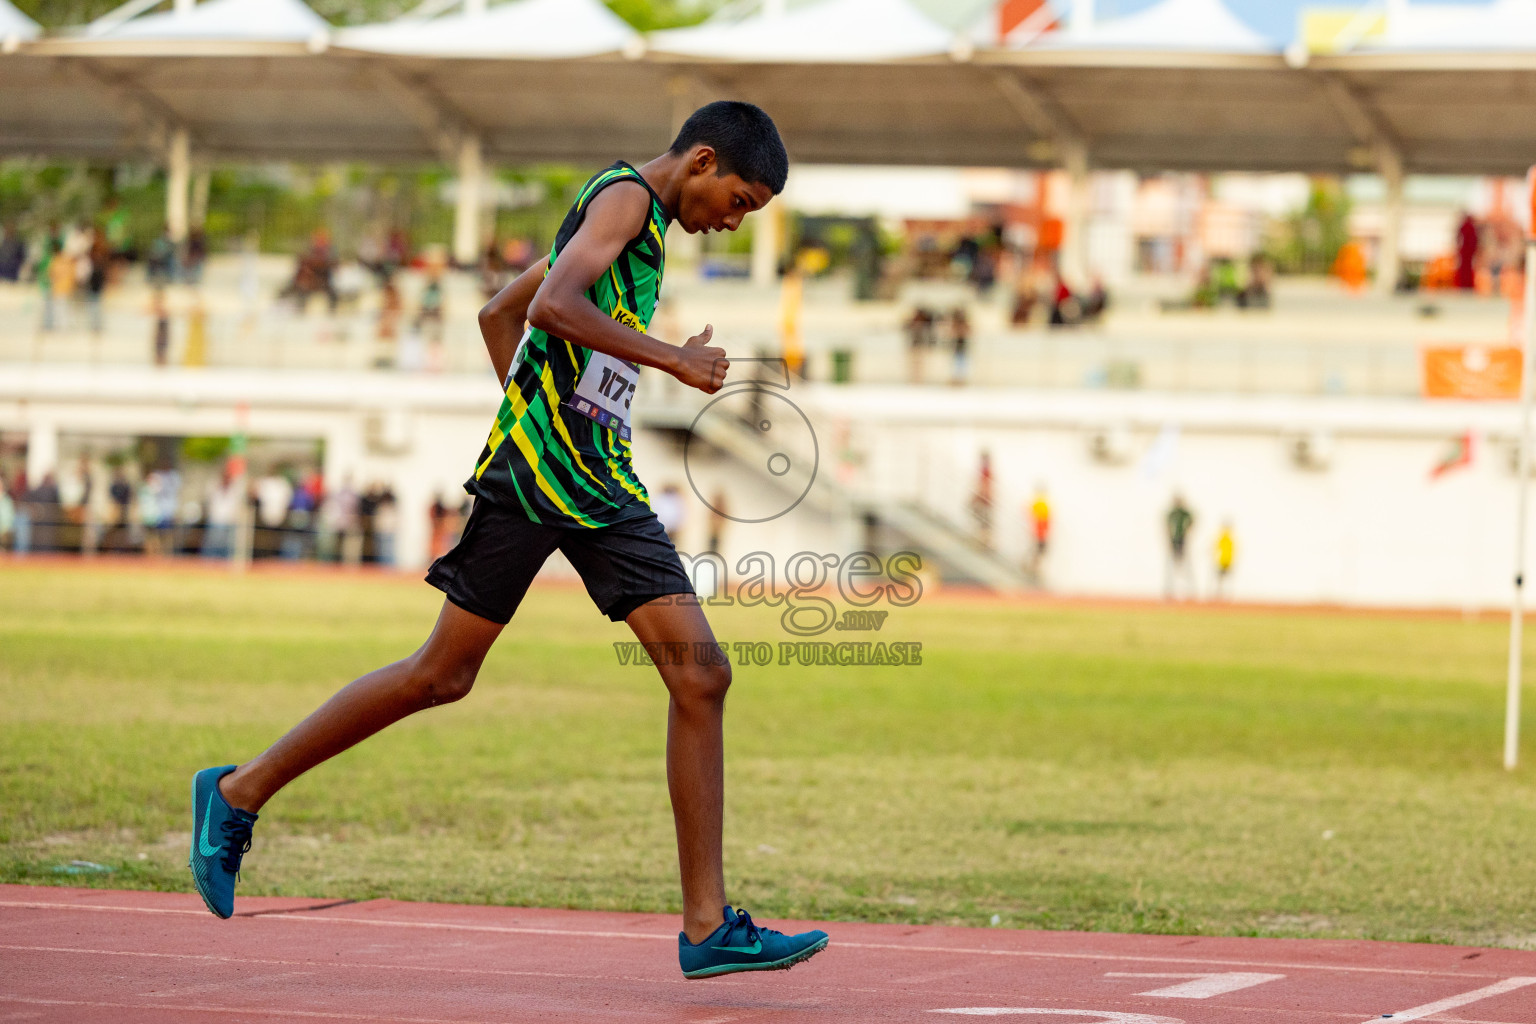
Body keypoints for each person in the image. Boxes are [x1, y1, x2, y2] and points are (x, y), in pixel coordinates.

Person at [188, 101, 829, 980]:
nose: (732, 220)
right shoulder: (626, 202)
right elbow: (556, 308)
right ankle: (235, 793)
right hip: (538, 482)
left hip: (592, 481)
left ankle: (709, 926)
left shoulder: (626, 220)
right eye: (739, 200)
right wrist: (667, 361)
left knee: (700, 674)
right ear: (704, 159)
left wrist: (544, 414)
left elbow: (501, 314)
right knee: (440, 674)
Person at [1165, 494, 1195, 600]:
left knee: (1184, 565)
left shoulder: (1183, 513)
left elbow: (1191, 520)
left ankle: (1187, 590)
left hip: (1182, 540)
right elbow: (1167, 525)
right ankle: (1171, 590)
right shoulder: (1172, 513)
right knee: (1172, 565)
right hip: (1174, 541)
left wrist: (1187, 531)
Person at [1027, 486, 1050, 587]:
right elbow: (1041, 521)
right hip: (1040, 533)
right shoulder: (1040, 504)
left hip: (1040, 533)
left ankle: (1033, 568)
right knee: (1037, 551)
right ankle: (1033, 569)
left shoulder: (1040, 503)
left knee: (1037, 552)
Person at [1214, 521, 1235, 601]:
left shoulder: (1227, 538)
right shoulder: (1225, 538)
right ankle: (1221, 595)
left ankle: (1226, 595)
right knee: (1221, 579)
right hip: (1222, 561)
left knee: (1224, 579)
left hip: (1225, 561)